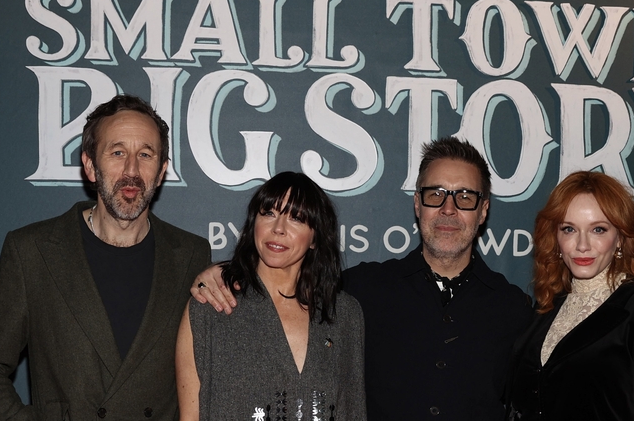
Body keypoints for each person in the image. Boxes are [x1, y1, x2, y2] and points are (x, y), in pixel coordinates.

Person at [192, 137, 533, 420]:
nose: (448, 209)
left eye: (464, 197)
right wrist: (224, 274)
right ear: (418, 205)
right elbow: (286, 278)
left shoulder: (515, 310)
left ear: (484, 209)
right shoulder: (360, 290)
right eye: (435, 194)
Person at [0, 95, 211, 421]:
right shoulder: (33, 251)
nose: (132, 170)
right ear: (91, 166)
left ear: (161, 171)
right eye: (117, 152)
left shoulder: (192, 255)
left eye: (145, 155)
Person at [175, 171, 366, 421]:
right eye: (269, 213)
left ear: (315, 238)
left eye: (296, 218)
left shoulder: (345, 314)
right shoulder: (210, 308)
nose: (278, 229)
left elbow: (353, 410)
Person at [504, 171, 634, 420]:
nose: (582, 245)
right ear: (556, 238)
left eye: (598, 230)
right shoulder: (547, 308)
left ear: (621, 239)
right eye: (569, 229)